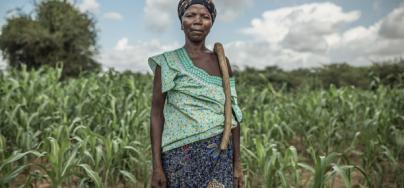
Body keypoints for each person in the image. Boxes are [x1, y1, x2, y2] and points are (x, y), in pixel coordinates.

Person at [148, 0, 243, 187]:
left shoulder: (222, 62)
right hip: (179, 156)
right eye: (190, 15)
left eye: (205, 16)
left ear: (211, 23)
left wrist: (237, 164)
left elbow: (233, 113)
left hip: (220, 154)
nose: (198, 21)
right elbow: (156, 115)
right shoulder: (167, 62)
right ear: (181, 23)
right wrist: (157, 167)